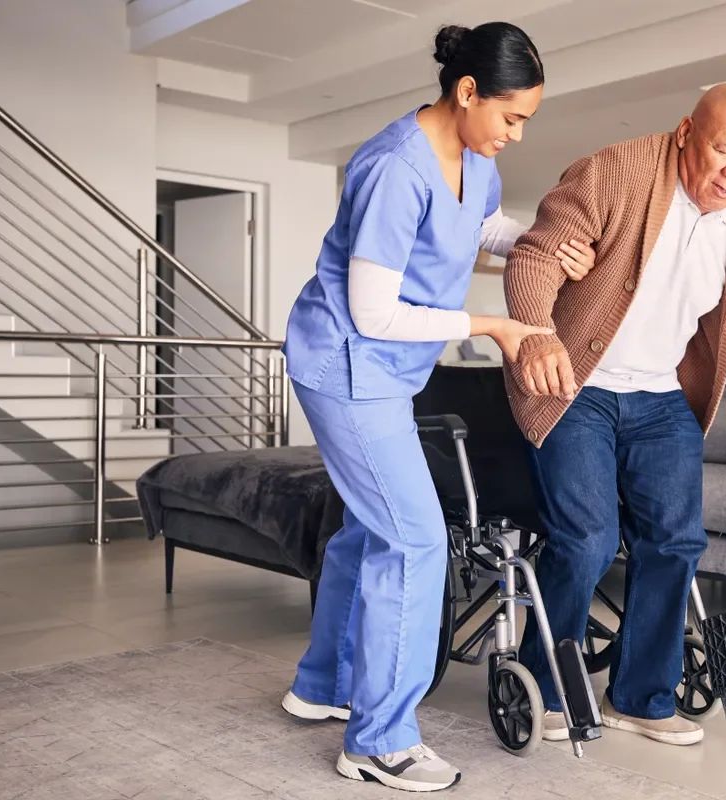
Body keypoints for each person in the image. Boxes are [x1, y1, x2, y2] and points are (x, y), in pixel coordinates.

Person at [277, 22, 596, 793]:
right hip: (347, 363)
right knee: (416, 542)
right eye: (512, 117)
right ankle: (378, 741)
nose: (516, 135)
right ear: (466, 93)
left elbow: (475, 227)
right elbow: (375, 310)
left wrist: (535, 243)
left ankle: (322, 683)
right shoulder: (392, 167)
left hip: (389, 369)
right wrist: (492, 325)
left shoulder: (474, 160)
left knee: (368, 529)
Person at [502, 83, 726, 747]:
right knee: (587, 540)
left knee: (676, 541)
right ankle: (547, 681)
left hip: (659, 400)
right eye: (723, 150)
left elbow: (708, 315)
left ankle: (641, 697)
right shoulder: (615, 171)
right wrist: (537, 331)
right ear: (687, 132)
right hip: (577, 386)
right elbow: (534, 257)